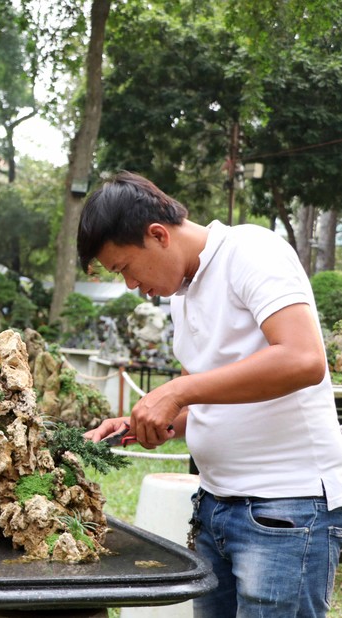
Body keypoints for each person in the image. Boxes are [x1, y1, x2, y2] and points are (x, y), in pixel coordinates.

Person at [78, 171, 342, 617]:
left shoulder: (252, 250)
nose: (128, 285)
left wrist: (177, 390)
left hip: (284, 511)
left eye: (124, 268)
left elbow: (303, 359)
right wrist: (141, 421)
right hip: (215, 506)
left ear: (158, 235)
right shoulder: (183, 294)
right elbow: (201, 402)